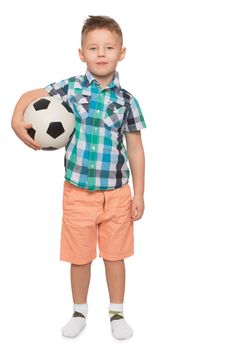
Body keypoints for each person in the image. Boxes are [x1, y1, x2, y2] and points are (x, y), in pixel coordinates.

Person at [11, 15, 147, 340]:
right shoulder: (70, 88)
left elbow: (137, 150)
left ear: (122, 52)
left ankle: (116, 312)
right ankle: (79, 311)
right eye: (93, 47)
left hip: (116, 195)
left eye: (109, 47)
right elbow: (30, 95)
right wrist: (17, 121)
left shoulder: (127, 101)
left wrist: (139, 194)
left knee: (115, 256)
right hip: (77, 193)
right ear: (81, 53)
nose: (101, 53)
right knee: (79, 256)